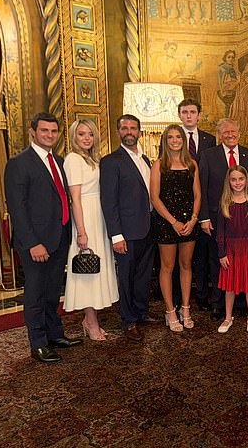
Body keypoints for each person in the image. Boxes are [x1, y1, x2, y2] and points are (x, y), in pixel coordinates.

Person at [4, 112, 82, 363]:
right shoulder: (19, 163)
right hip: (35, 242)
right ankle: (37, 343)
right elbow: (18, 208)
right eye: (44, 131)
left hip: (59, 237)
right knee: (36, 293)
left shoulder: (58, 161)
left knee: (52, 291)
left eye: (53, 131)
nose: (49, 135)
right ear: (33, 132)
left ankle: (54, 335)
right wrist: (33, 243)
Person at [100, 114, 156, 342]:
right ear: (118, 133)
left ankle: (141, 311)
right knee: (127, 276)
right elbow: (108, 201)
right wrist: (116, 235)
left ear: (140, 132)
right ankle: (128, 320)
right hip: (126, 232)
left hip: (148, 228)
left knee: (143, 275)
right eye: (125, 128)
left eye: (133, 128)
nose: (129, 132)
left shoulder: (146, 160)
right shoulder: (111, 161)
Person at [198, 118, 248, 321]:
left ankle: (241, 304)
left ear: (240, 133)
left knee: (244, 263)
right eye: (226, 132)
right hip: (219, 218)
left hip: (245, 219)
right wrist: (204, 217)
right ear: (219, 134)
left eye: (234, 131)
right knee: (220, 262)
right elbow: (203, 188)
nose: (230, 135)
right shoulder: (208, 156)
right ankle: (218, 303)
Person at [63, 119, 119, 341]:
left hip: (99, 217)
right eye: (81, 134)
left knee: (97, 269)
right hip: (85, 217)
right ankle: (90, 322)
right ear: (74, 137)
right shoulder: (73, 159)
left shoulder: (93, 159)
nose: (86, 138)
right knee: (88, 272)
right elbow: (74, 199)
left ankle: (90, 319)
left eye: (90, 134)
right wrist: (81, 231)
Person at [150, 125, 201, 332]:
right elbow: (155, 198)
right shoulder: (159, 165)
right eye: (170, 137)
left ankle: (185, 309)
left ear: (183, 140)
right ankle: (170, 311)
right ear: (165, 141)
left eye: (178, 136)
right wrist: (173, 221)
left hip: (189, 223)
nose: (174, 140)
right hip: (167, 222)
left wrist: (194, 219)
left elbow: (197, 195)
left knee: (186, 265)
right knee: (167, 267)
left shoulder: (192, 164)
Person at [173, 99, 215, 312]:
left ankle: (201, 295)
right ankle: (179, 298)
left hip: (202, 202)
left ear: (199, 115)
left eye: (192, 112)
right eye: (184, 112)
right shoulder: (172, 138)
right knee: (180, 256)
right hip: (177, 204)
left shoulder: (210, 139)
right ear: (179, 115)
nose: (189, 116)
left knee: (202, 255)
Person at [216, 166, 248, 333]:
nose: (237, 183)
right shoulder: (224, 202)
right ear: (229, 181)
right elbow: (220, 231)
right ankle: (228, 317)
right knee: (229, 285)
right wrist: (221, 253)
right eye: (234, 179)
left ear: (246, 180)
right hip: (230, 249)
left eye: (240, 179)